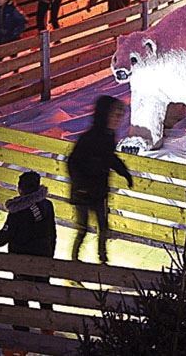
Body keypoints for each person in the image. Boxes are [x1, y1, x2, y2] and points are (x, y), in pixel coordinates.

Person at [0, 169, 57, 336]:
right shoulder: (47, 206)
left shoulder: (18, 212)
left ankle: (21, 337)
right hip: (44, 260)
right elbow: (53, 234)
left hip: (20, 262)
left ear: (20, 189)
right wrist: (49, 257)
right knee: (43, 293)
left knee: (20, 296)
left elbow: (1, 239)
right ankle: (48, 329)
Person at [67, 95, 133, 263]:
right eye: (115, 115)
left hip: (99, 191)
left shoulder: (108, 136)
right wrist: (81, 185)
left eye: (120, 116)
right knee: (83, 228)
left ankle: (102, 260)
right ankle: (74, 261)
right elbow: (73, 163)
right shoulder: (90, 138)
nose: (118, 120)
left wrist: (124, 172)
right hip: (83, 193)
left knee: (103, 227)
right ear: (105, 115)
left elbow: (109, 157)